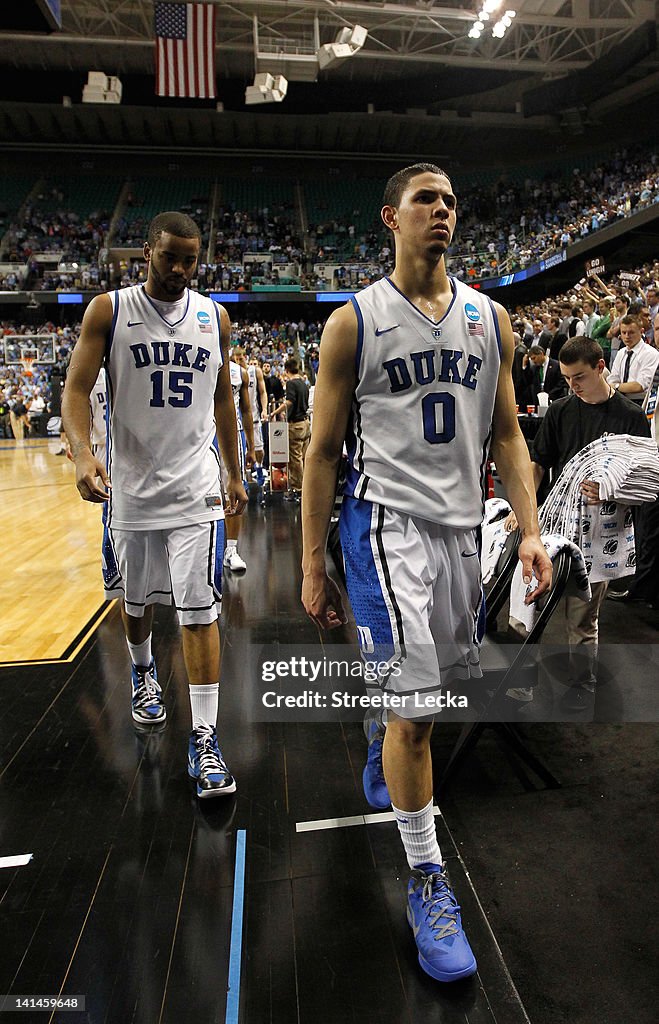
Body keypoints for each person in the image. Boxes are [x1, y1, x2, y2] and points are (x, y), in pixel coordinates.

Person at [301, 163, 551, 984]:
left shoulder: (492, 318)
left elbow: (509, 435)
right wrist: (310, 560)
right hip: (382, 527)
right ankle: (426, 878)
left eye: (449, 200)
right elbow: (322, 452)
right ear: (390, 218)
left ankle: (384, 735)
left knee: (429, 696)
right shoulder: (354, 323)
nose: (441, 210)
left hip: (456, 534)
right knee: (416, 710)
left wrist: (531, 529)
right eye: (425, 200)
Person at [62, 211, 247, 799]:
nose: (179, 269)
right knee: (134, 603)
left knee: (200, 611)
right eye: (169, 256)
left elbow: (221, 396)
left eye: (190, 260)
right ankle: (143, 673)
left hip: (196, 492)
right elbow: (73, 388)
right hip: (132, 490)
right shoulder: (110, 311)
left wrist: (235, 469)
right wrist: (82, 454)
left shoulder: (214, 317)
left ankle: (205, 738)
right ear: (147, 252)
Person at [506, 336, 651, 708]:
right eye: (568, 377)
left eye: (580, 377)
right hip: (557, 526)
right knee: (530, 609)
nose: (572, 385)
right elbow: (538, 463)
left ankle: (581, 685)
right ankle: (523, 680)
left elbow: (645, 481)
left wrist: (611, 493)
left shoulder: (631, 416)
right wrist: (520, 509)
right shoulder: (559, 410)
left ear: (601, 367)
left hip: (605, 534)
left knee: (583, 618)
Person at [272, 356, 310, 501]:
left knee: (295, 460)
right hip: (306, 423)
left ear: (286, 371)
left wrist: (275, 412)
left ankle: (298, 489)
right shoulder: (304, 383)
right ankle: (307, 486)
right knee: (305, 457)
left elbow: (289, 401)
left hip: (295, 425)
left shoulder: (291, 383)